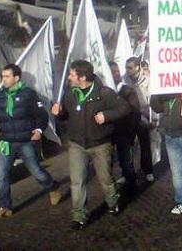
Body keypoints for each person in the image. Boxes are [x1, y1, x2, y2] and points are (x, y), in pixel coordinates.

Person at [51, 60, 130, 230]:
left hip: (101, 144)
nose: (69, 77)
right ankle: (79, 216)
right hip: (77, 145)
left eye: (72, 74)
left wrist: (106, 116)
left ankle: (113, 200)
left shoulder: (104, 93)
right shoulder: (70, 93)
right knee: (77, 181)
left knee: (105, 178)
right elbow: (65, 116)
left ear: (82, 77)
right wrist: (59, 113)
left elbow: (125, 108)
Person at [0, 64, 61, 219]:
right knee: (1, 175)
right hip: (6, 142)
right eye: (2, 76)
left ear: (16, 78)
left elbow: (42, 115)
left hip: (26, 141)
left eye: (7, 76)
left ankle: (52, 186)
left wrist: (39, 130)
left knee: (37, 171)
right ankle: (4, 207)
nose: (4, 80)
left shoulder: (28, 94)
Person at [109, 61, 141, 192]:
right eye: (113, 71)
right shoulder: (104, 92)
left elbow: (135, 112)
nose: (117, 74)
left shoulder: (127, 90)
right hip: (109, 133)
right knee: (107, 163)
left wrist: (131, 132)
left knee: (126, 161)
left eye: (117, 71)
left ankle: (132, 186)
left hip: (124, 133)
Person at [124, 57, 156, 182]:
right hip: (128, 118)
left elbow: (153, 100)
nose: (127, 70)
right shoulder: (125, 81)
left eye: (130, 68)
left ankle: (148, 170)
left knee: (145, 145)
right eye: (126, 68)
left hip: (143, 117)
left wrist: (154, 118)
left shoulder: (148, 81)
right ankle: (127, 172)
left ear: (138, 67)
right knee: (128, 147)